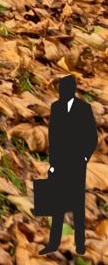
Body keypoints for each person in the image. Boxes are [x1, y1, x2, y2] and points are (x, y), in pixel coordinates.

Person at [49, 75, 97, 255]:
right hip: (60, 161)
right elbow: (53, 137)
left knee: (77, 203)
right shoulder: (56, 107)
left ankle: (80, 243)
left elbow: (92, 137)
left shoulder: (84, 109)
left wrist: (84, 157)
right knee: (57, 201)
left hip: (76, 162)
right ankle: (54, 242)